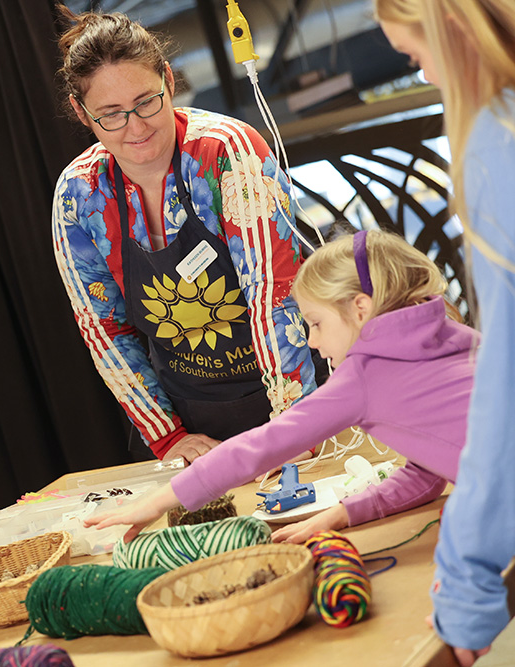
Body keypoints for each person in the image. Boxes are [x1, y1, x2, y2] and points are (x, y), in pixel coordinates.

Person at [51, 8, 324, 463]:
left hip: (299, 396)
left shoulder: (226, 152)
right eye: (111, 115)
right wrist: (168, 437)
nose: (136, 128)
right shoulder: (79, 194)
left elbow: (273, 295)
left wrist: (294, 430)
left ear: (169, 81)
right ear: (82, 114)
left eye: (146, 102)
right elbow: (105, 328)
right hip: (193, 420)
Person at [86, 230, 477, 547]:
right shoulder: (451, 331)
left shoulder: (364, 375)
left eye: (317, 322)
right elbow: (427, 473)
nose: (310, 340)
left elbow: (259, 448)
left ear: (360, 309)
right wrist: (340, 514)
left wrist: (155, 503)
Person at [375, 0, 515, 663]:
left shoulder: (495, 136)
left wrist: (464, 574)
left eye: (414, 57)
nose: (426, 77)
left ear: (451, 30)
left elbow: (508, 384)